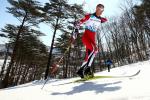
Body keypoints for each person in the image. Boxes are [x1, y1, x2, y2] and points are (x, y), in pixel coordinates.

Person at [72, 4, 107, 78]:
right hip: (86, 37)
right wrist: (76, 29)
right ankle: (81, 70)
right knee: (93, 49)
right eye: (99, 9)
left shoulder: (100, 19)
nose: (100, 11)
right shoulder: (89, 16)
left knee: (95, 51)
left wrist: (106, 19)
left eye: (102, 10)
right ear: (96, 8)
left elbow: (104, 20)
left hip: (92, 39)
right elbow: (79, 22)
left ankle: (87, 69)